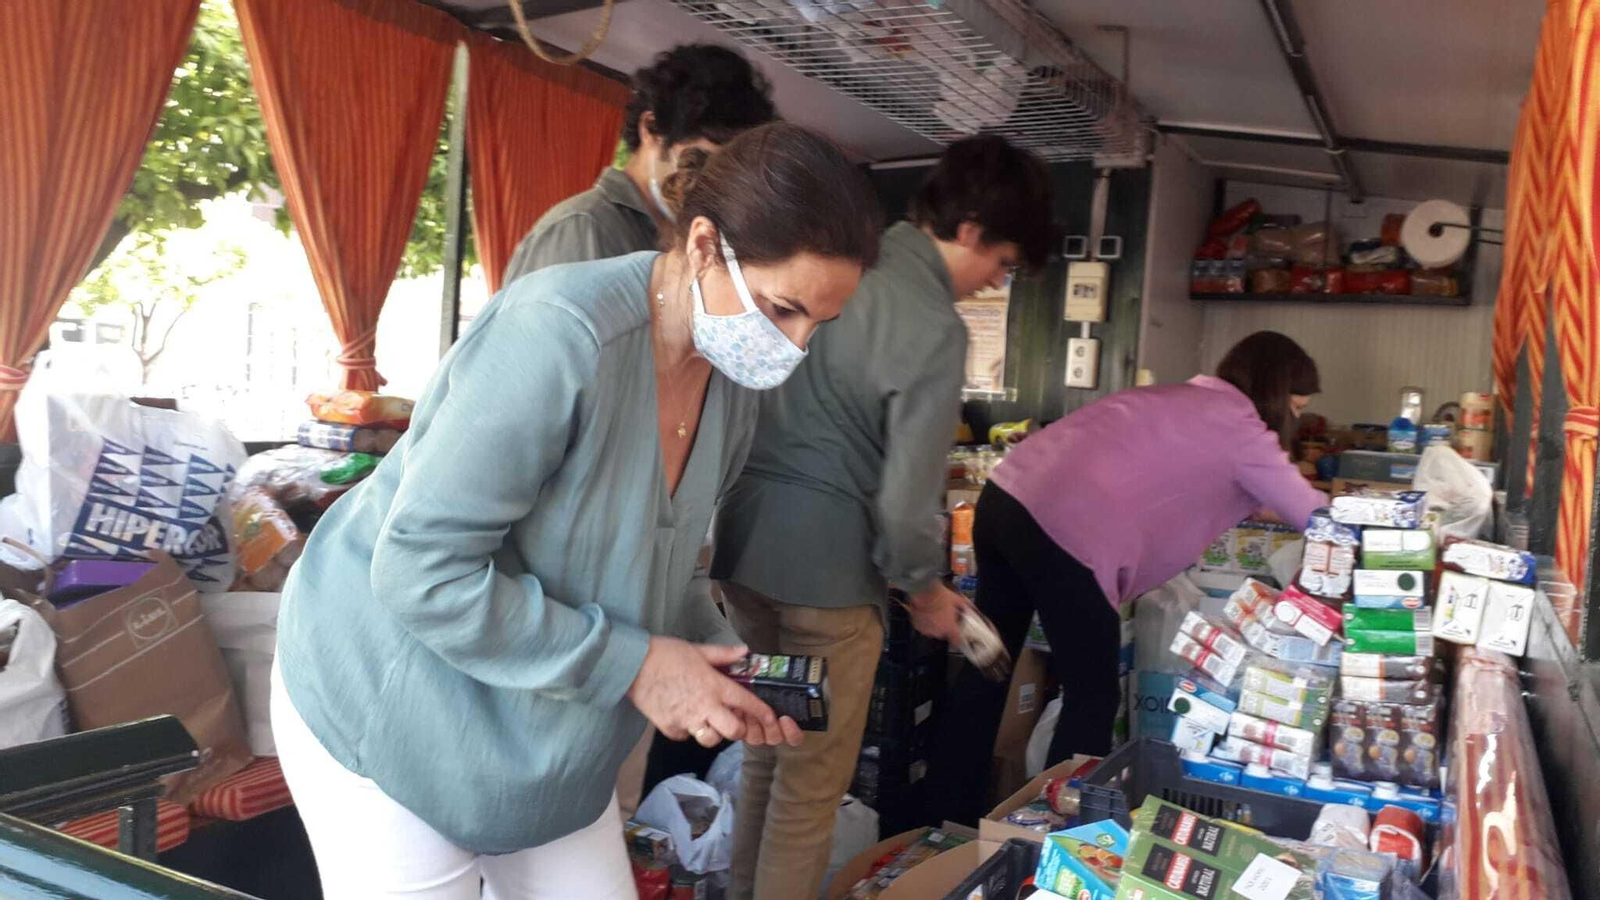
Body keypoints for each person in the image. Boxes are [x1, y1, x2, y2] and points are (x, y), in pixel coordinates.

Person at [269, 123, 883, 900]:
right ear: (702, 245)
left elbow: (667, 560)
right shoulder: (558, 335)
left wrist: (719, 665)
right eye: (782, 308)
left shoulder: (729, 384)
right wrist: (637, 665)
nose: (792, 346)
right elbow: (420, 570)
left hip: (544, 734)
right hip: (393, 699)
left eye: (816, 326)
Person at [708, 135, 1054, 900]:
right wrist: (927, 596)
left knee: (767, 751)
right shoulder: (931, 323)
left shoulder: (844, 258)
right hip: (827, 581)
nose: (992, 282)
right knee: (808, 793)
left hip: (743, 550)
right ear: (969, 230)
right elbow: (904, 505)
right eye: (1001, 264)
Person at [925, 330, 1329, 826]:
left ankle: (941, 820)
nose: (1294, 420)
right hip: (1067, 537)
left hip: (1004, 501)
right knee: (1092, 696)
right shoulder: (1241, 428)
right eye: (1296, 407)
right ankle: (1060, 841)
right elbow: (1315, 516)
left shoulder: (1174, 398)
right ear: (1275, 394)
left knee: (989, 665)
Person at [501, 42, 775, 284]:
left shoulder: (695, 240)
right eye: (701, 159)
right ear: (652, 128)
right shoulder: (586, 227)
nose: (714, 181)